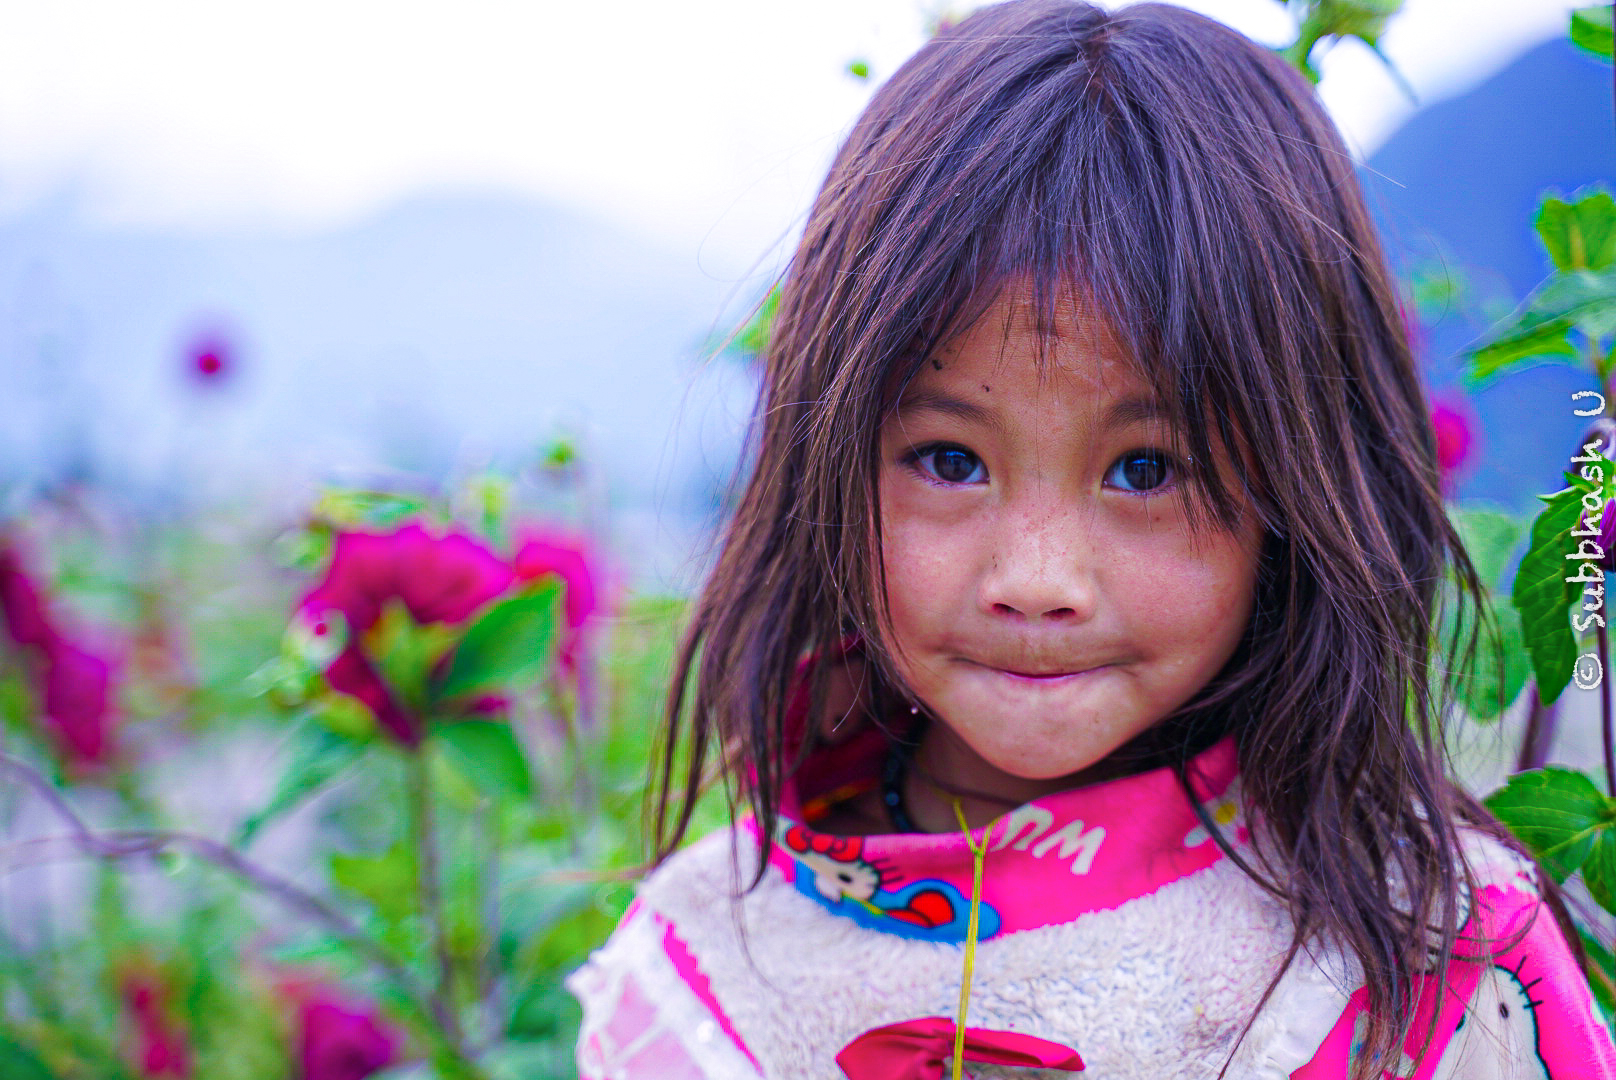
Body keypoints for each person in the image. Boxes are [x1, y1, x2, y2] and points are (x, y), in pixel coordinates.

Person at [566, 2, 1616, 1077]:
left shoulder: (1428, 955)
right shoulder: (706, 970)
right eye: (947, 459)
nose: (1035, 580)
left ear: (1302, 485)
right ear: (824, 462)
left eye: (1146, 471)